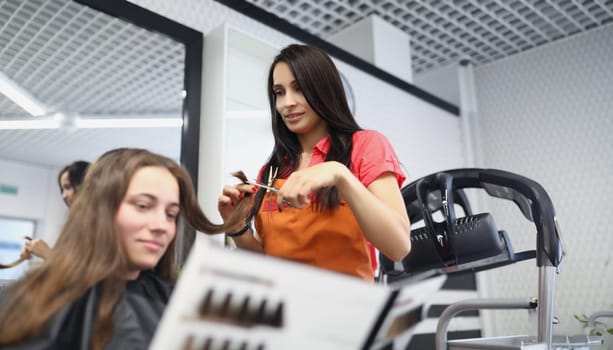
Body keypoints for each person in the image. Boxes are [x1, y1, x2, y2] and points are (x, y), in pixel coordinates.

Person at [0, 148, 244, 350]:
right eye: (142, 206)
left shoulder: (175, 301)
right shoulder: (26, 303)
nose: (162, 226)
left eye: (171, 214)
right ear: (100, 209)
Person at [218, 44, 411, 281]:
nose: (287, 103)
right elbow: (269, 260)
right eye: (279, 92)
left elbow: (399, 246)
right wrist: (237, 227)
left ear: (324, 90)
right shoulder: (272, 170)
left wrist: (340, 175)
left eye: (298, 89)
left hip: (347, 310)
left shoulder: (365, 146)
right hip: (284, 311)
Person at [20, 160, 90, 261]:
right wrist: (37, 249)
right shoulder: (78, 223)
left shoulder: (103, 226)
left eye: (68, 187)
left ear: (86, 186)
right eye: (62, 189)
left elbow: (86, 273)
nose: (63, 196)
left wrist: (48, 254)